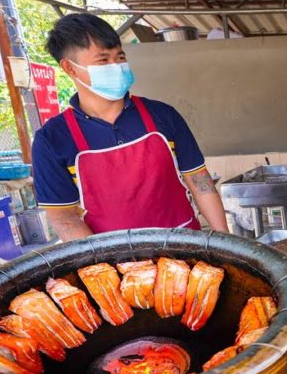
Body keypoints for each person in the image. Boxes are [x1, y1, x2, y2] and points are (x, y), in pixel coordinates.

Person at [32, 14, 227, 242]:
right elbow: (64, 217)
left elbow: (200, 183)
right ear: (70, 68)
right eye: (103, 60)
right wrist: (105, 260)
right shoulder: (52, 139)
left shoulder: (163, 115)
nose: (116, 66)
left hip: (184, 246)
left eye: (120, 57)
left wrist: (224, 242)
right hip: (113, 258)